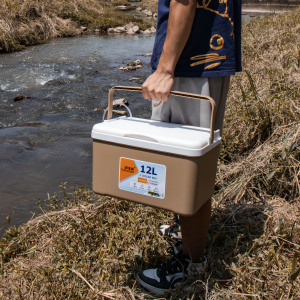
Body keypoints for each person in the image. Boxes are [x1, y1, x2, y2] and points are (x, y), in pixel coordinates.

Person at [137, 0, 242, 295]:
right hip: (207, 57)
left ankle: (190, 264)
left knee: (185, 170)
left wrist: (165, 68)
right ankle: (188, 238)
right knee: (192, 161)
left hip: (190, 63)